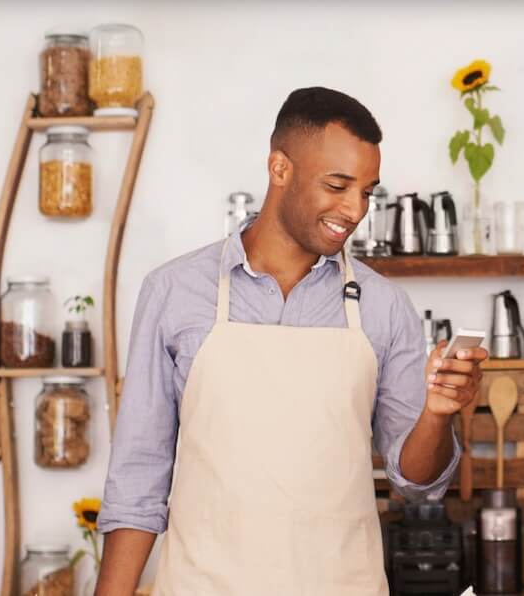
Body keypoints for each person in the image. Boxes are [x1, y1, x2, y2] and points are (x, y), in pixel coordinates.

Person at [97, 87, 488, 595]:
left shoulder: (383, 306)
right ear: (279, 169)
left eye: (367, 192)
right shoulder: (174, 292)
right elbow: (138, 479)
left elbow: (416, 483)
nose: (354, 209)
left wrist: (438, 413)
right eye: (337, 185)